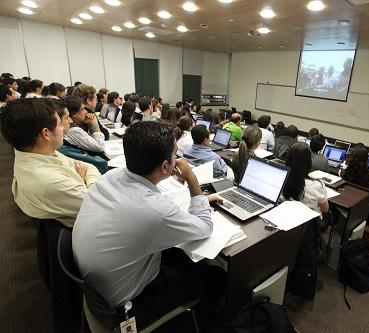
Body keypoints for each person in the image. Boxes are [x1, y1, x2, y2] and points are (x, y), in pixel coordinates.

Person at [72, 121, 225, 330]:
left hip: (101, 288)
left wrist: (198, 203)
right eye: (175, 155)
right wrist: (191, 178)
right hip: (129, 306)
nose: (177, 159)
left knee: (179, 255)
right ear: (165, 166)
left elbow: (151, 206)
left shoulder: (110, 177)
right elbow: (205, 227)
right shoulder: (154, 211)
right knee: (216, 277)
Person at [0, 98, 100, 227]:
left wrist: (85, 184)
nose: (65, 126)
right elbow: (99, 203)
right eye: (59, 124)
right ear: (46, 133)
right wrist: (82, 181)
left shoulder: (36, 152)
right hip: (91, 228)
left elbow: (89, 167)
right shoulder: (50, 181)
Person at [55, 100, 108, 174]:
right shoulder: (73, 130)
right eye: (83, 109)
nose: (86, 112)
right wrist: (94, 123)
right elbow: (100, 147)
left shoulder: (78, 124)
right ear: (74, 114)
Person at [283, 142, 329, 214]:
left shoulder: (281, 178)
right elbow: (325, 209)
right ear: (309, 162)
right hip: (309, 224)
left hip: (286, 216)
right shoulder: (317, 185)